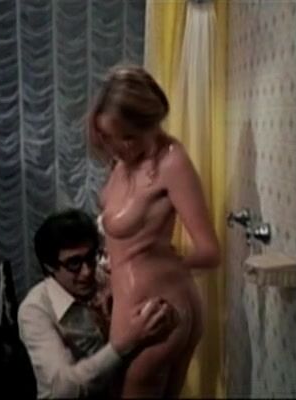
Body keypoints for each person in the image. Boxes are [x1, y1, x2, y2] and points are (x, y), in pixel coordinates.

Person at [88, 65, 221, 397]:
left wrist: (157, 266)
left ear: (150, 124)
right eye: (107, 136)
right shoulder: (125, 160)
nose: (117, 147)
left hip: (156, 313)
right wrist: (114, 280)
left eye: (128, 137)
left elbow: (210, 251)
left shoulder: (170, 162)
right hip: (145, 305)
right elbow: (129, 242)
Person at [18, 209, 178, 398]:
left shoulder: (102, 279)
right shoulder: (35, 309)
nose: (87, 272)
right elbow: (64, 389)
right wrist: (125, 342)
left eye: (90, 257)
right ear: (50, 266)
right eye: (74, 263)